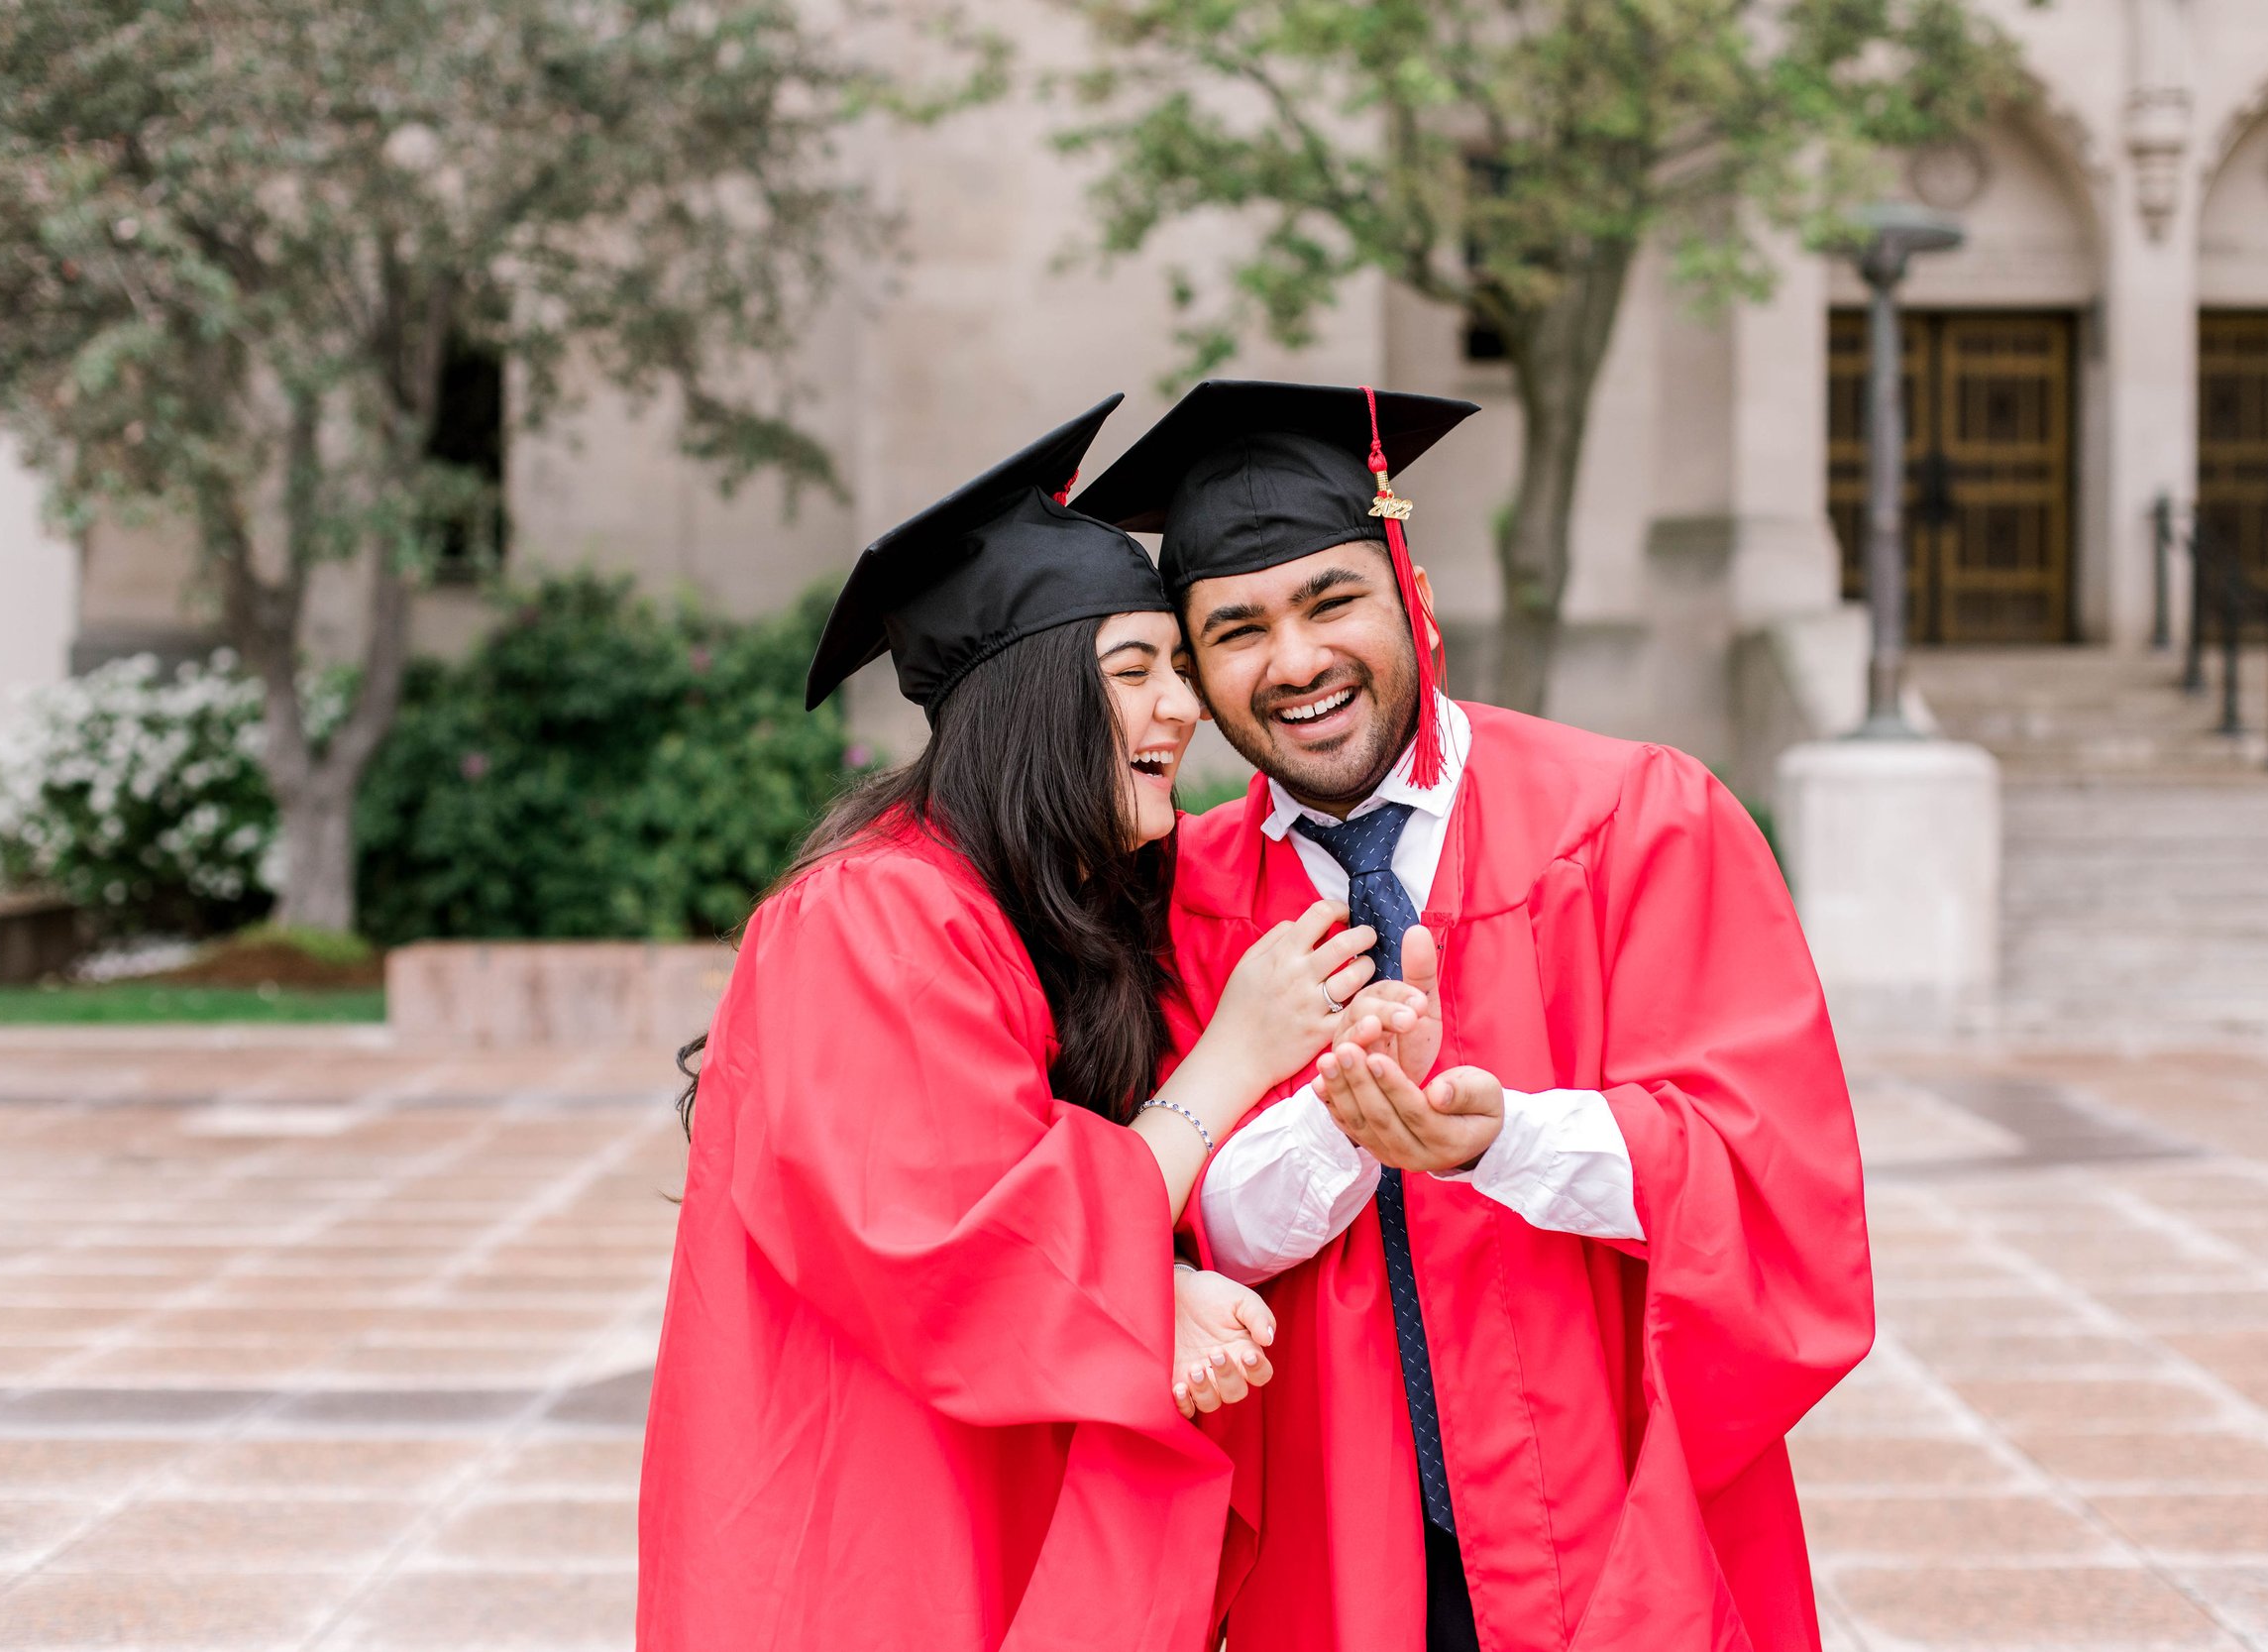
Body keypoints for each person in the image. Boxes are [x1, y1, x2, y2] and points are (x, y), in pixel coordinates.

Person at [1073, 381, 1877, 1652]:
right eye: (1235, 628)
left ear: (1418, 601)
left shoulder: (1638, 823)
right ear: (1196, 673)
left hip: (1609, 1518)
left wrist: (1494, 1137)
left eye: (1331, 600)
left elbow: (1768, 1178)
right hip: (1333, 1556)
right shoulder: (1175, 899)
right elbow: (1173, 1230)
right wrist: (1347, 1133)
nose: (1293, 661)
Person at [638, 395, 1384, 1652]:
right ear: (1030, 702)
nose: (1184, 709)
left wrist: (1171, 1274)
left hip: (991, 1490)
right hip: (874, 1518)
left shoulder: (1051, 904)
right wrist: (1231, 1057)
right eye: (1134, 671)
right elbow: (961, 1247)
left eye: (1178, 670)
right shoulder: (870, 918)